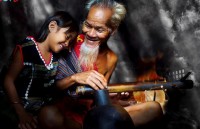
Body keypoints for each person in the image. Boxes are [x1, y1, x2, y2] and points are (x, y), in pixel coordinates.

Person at [55, 0, 163, 128]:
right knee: (52, 117)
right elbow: (44, 89)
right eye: (88, 25)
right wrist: (74, 78)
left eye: (99, 29)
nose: (90, 34)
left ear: (113, 30)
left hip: (91, 115)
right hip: (63, 114)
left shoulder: (111, 58)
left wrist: (117, 99)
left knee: (153, 109)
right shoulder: (67, 42)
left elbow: (98, 101)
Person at [2, 11, 78, 129]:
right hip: (15, 106)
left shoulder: (56, 57)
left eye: (70, 42)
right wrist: (20, 111)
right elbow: (8, 80)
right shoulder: (27, 48)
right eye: (67, 37)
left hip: (38, 110)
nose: (67, 44)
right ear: (52, 26)